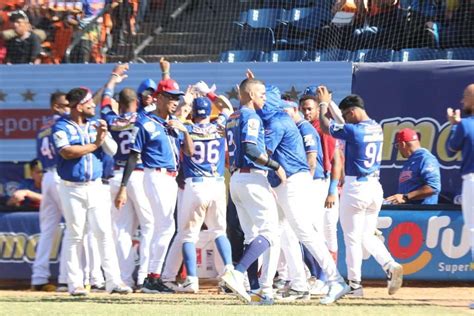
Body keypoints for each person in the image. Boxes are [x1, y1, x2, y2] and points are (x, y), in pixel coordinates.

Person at [258, 85, 350, 305]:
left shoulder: (278, 121)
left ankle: (335, 279)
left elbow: (261, 154)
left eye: (263, 98)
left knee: (305, 232)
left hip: (293, 182)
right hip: (285, 182)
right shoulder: (276, 120)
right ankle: (297, 284)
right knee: (284, 234)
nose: (260, 102)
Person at [318, 87, 403, 296]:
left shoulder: (354, 130)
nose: (346, 118)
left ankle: (355, 285)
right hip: (375, 187)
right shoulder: (376, 127)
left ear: (354, 112)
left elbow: (326, 126)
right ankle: (390, 265)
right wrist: (331, 103)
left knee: (352, 239)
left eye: (348, 115)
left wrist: (322, 106)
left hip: (356, 188)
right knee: (367, 236)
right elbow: (344, 121)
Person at [114, 78, 194, 294]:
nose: (175, 102)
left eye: (177, 98)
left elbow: (190, 152)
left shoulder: (173, 124)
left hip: (170, 178)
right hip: (154, 175)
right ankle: (151, 277)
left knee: (163, 228)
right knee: (165, 227)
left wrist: (184, 130)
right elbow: (133, 156)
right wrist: (123, 186)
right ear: (158, 98)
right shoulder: (145, 122)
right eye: (170, 98)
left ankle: (152, 276)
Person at [52, 86, 131, 296]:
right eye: (89, 103)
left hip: (96, 186)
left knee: (104, 233)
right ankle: (75, 284)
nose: (93, 106)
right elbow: (67, 152)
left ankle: (114, 281)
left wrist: (103, 136)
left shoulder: (94, 125)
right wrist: (95, 143)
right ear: (79, 106)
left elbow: (113, 151)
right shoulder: (61, 126)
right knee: (75, 235)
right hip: (71, 188)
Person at [222, 77, 285, 304]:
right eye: (261, 94)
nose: (264, 99)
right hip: (251, 177)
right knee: (271, 233)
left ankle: (256, 290)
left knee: (252, 235)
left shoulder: (232, 116)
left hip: (237, 179)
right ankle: (238, 274)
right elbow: (250, 148)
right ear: (250, 95)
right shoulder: (251, 116)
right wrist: (275, 166)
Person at [162, 97, 234, 293]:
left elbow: (173, 123)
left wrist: (183, 109)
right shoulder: (219, 125)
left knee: (188, 234)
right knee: (219, 231)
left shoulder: (187, 128)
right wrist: (210, 94)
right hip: (217, 183)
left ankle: (191, 279)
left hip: (195, 185)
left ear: (193, 113)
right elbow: (227, 107)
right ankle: (230, 272)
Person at [101, 64, 154, 290]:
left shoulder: (112, 119)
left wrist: (113, 80)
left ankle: (124, 277)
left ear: (119, 104)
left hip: (116, 175)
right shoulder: (143, 117)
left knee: (122, 230)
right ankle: (144, 275)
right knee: (151, 225)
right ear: (136, 102)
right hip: (139, 174)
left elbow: (104, 101)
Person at [31, 92, 70, 292]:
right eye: (65, 104)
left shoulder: (42, 126)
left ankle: (38, 277)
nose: (69, 107)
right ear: (56, 106)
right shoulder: (61, 121)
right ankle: (65, 278)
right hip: (60, 175)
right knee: (74, 227)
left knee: (47, 230)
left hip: (47, 176)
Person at [445, 83, 474, 309]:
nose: (462, 101)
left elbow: (451, 147)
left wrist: (454, 125)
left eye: (466, 96)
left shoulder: (465, 125)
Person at [386, 128, 441, 205]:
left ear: (403, 144)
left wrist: (405, 197)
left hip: (423, 212)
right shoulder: (410, 161)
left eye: (397, 145)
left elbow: (433, 188)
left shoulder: (426, 158)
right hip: (408, 211)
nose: (398, 149)